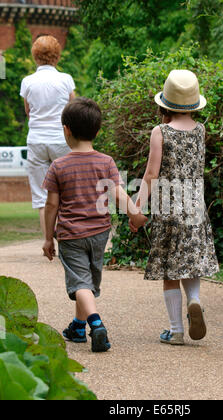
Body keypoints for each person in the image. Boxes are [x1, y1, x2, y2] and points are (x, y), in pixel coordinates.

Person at [42, 97, 147, 353]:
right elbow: (119, 194)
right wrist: (134, 214)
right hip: (99, 234)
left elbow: (51, 206)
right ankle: (78, 327)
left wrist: (47, 238)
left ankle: (95, 324)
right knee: (87, 282)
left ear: (65, 129)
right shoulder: (105, 162)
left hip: (71, 235)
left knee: (79, 283)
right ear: (98, 131)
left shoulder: (59, 166)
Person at [130, 70, 219, 345]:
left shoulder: (160, 132)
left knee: (170, 271)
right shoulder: (200, 130)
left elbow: (151, 175)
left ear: (164, 103)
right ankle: (194, 300)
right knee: (190, 264)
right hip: (194, 206)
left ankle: (176, 330)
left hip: (168, 207)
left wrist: (137, 208)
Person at [20, 35, 76, 236]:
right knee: (66, 192)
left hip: (36, 140)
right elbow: (73, 110)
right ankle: (66, 240)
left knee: (41, 195)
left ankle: (47, 242)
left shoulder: (27, 82)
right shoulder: (65, 79)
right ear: (57, 56)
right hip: (61, 140)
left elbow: (28, 111)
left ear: (35, 56)